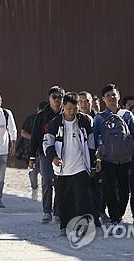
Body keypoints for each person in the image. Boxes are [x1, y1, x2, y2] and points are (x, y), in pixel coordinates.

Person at [93, 84, 134, 234]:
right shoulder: (99, 117)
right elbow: (95, 139)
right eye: (108, 95)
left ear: (119, 96)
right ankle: (115, 218)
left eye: (114, 95)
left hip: (125, 159)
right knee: (110, 190)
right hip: (108, 160)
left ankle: (119, 215)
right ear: (103, 99)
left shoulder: (127, 115)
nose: (111, 97)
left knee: (124, 190)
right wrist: (96, 158)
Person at [43, 92, 94, 236]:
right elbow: (47, 142)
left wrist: (93, 161)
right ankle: (64, 226)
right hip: (62, 168)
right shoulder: (55, 123)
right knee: (63, 199)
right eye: (69, 108)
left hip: (80, 166)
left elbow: (91, 142)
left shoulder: (84, 121)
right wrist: (53, 157)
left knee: (81, 198)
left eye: (74, 108)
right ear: (64, 106)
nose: (72, 111)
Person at [29, 86, 64, 223]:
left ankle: (58, 212)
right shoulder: (42, 116)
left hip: (62, 153)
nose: (57, 100)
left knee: (60, 182)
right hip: (44, 154)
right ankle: (47, 211)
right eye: (54, 97)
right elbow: (35, 137)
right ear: (49, 99)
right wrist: (32, 156)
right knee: (47, 180)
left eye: (59, 97)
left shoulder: (66, 114)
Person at [79, 90, 109, 223]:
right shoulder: (73, 118)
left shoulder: (99, 118)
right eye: (81, 101)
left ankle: (97, 215)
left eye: (87, 101)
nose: (84, 104)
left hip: (95, 158)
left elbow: (101, 140)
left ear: (92, 102)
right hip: (78, 159)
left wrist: (98, 159)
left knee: (96, 188)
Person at [19, 101, 48, 200]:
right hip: (32, 151)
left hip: (44, 152)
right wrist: (33, 138)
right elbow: (22, 132)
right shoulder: (31, 119)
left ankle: (45, 195)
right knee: (33, 173)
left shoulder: (49, 119)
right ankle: (34, 189)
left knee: (46, 175)